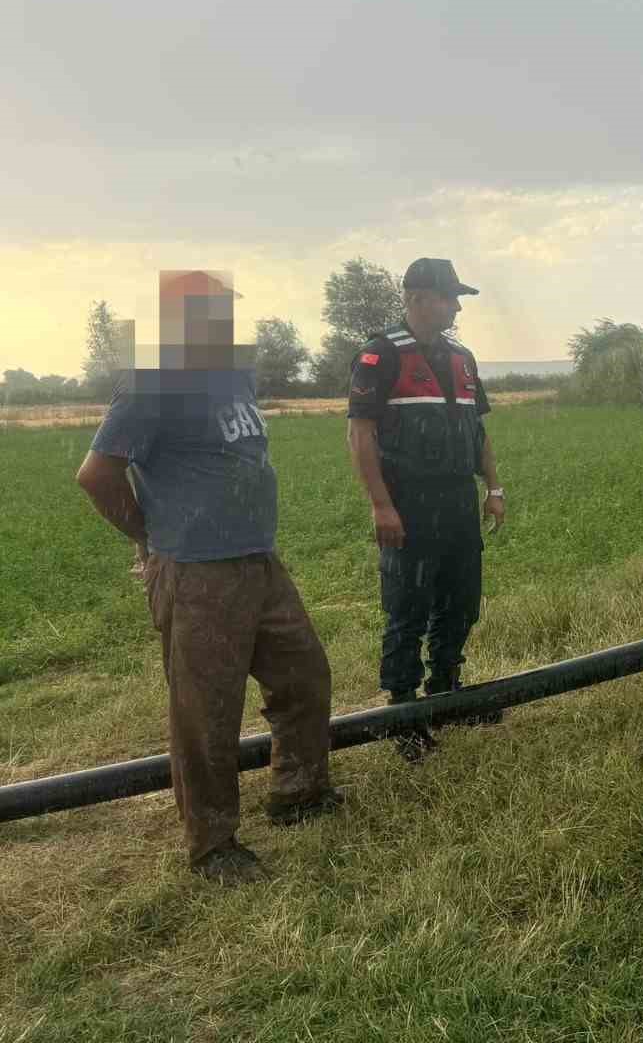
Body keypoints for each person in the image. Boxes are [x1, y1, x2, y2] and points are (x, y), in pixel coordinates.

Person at [75, 270, 339, 886]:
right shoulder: (151, 384)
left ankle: (298, 793)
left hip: (258, 560)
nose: (224, 322)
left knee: (304, 676)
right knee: (206, 714)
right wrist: (149, 537)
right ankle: (212, 845)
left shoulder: (232, 376)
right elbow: (95, 474)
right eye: (211, 311)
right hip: (196, 573)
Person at [346, 257, 505, 760]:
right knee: (407, 610)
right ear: (416, 299)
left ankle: (446, 692)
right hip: (409, 504)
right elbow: (360, 435)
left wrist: (494, 488)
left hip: (458, 501)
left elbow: (478, 431)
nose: (457, 307)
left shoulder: (462, 357)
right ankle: (403, 714)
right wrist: (381, 505)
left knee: (461, 603)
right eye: (448, 297)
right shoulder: (380, 356)